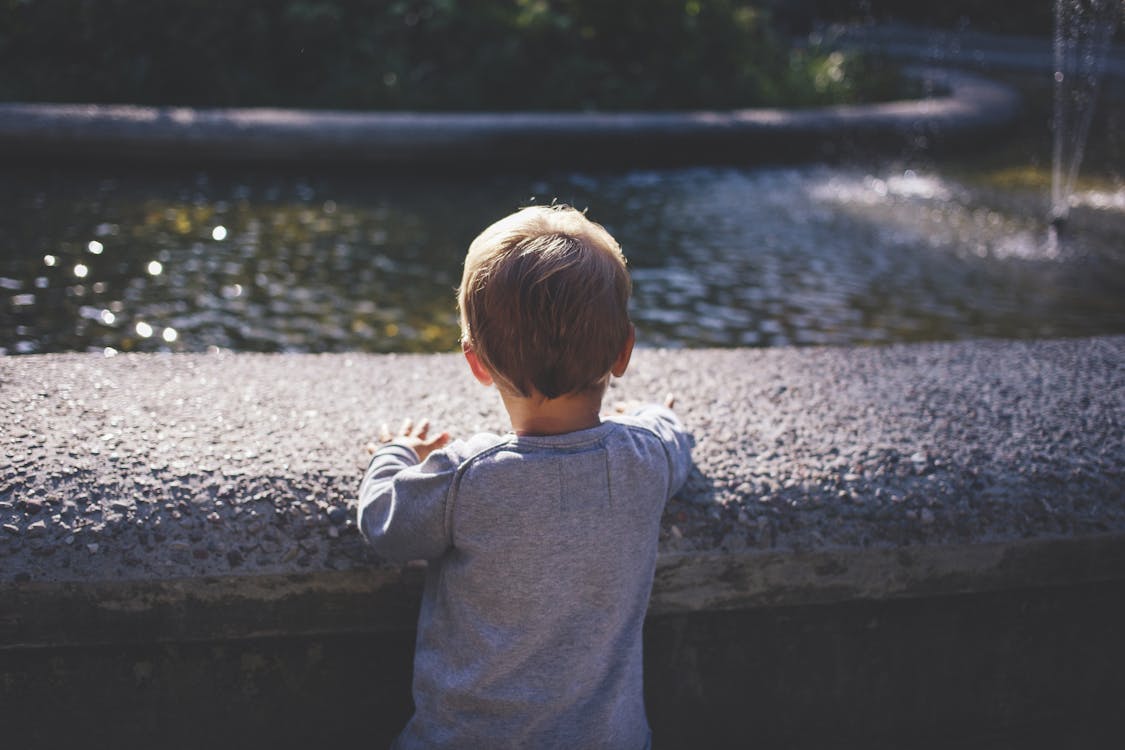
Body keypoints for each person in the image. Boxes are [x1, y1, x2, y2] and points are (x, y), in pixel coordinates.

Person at [358, 204, 693, 749]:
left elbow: (385, 525)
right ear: (624, 351)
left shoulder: (466, 477)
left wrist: (394, 454)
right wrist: (658, 416)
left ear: (477, 363)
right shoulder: (645, 458)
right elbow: (671, 438)